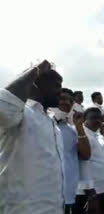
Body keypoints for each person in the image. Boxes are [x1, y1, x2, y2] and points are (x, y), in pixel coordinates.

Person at [0, 61, 65, 214]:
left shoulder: (52, 123)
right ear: (35, 84)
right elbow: (3, 107)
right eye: (56, 85)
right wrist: (35, 70)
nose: (60, 92)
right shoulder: (22, 113)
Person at [52, 88, 91, 214]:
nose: (67, 103)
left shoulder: (73, 130)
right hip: (43, 192)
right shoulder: (42, 122)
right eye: (62, 98)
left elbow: (85, 155)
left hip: (68, 193)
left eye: (70, 101)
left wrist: (79, 127)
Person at [74, 107, 104, 214]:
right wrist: (90, 193)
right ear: (84, 119)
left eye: (99, 118)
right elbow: (81, 163)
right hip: (89, 193)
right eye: (93, 118)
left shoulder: (95, 136)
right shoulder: (82, 135)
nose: (98, 121)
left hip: (100, 190)